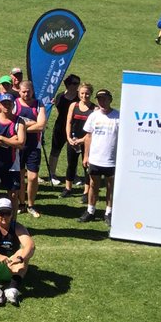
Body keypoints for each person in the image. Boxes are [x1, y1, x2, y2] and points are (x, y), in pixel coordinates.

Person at [0, 197, 35, 306]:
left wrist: (20, 258)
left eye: (7, 213)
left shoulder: (18, 227)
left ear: (12, 213)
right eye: (1, 213)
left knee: (23, 253)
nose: (4, 216)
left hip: (11, 266)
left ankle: (12, 289)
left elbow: (30, 246)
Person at [78, 88, 119, 225]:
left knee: (110, 187)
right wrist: (85, 156)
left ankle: (109, 212)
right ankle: (90, 210)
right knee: (93, 185)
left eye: (105, 99)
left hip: (112, 160)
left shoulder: (118, 117)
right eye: (99, 99)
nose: (102, 101)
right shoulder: (94, 116)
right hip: (95, 158)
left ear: (110, 99)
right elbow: (88, 136)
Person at [15, 81, 48, 218]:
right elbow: (11, 123)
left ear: (32, 91)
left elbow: (41, 126)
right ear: (19, 91)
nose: (26, 94)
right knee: (20, 175)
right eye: (23, 91)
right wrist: (30, 124)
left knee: (33, 176)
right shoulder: (14, 104)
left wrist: (21, 126)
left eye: (28, 91)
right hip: (19, 145)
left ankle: (31, 204)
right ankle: (21, 203)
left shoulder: (39, 104)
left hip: (34, 146)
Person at [48, 74, 81, 187]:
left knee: (73, 153)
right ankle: (52, 174)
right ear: (68, 84)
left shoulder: (80, 97)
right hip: (60, 127)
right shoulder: (60, 96)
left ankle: (73, 175)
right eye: (75, 83)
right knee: (55, 151)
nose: (77, 86)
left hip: (75, 128)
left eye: (78, 83)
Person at [63, 83, 93, 198]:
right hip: (73, 141)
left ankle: (86, 192)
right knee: (71, 164)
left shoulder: (94, 109)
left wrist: (82, 140)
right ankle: (68, 188)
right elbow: (68, 122)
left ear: (91, 94)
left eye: (87, 94)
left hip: (87, 141)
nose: (84, 96)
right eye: (82, 93)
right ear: (78, 93)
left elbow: (92, 130)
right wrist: (69, 138)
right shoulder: (73, 105)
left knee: (86, 165)